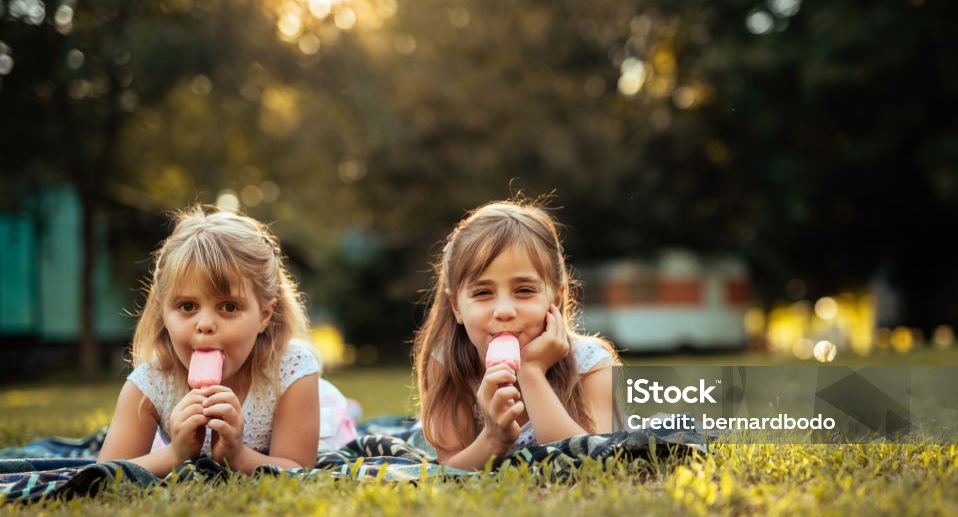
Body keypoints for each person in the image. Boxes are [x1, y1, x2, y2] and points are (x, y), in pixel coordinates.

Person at [99, 206, 354, 476]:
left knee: (334, 423)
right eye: (187, 306)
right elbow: (107, 473)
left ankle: (345, 410)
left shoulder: (291, 372)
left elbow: (298, 467)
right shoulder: (150, 384)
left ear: (264, 315)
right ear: (163, 311)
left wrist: (238, 456)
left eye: (229, 307)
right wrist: (174, 454)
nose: (205, 324)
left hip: (304, 408)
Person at [413, 199, 619, 470]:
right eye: (483, 293)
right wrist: (494, 438)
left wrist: (531, 371)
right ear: (456, 307)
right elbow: (450, 468)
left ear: (556, 299)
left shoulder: (591, 365)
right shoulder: (446, 363)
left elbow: (591, 463)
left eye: (524, 290)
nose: (504, 311)